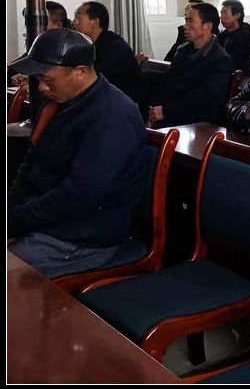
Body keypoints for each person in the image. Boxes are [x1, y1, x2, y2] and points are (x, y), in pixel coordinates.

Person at [7, 29, 146, 277]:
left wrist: (15, 220)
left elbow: (78, 195)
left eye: (48, 79)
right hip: (45, 219)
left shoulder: (111, 117)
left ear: (80, 71)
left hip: (80, 236)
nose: (41, 87)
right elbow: (31, 164)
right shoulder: (59, 103)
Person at [148, 3, 234, 128]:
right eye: (186, 21)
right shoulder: (182, 50)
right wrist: (154, 110)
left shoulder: (221, 60)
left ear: (207, 26)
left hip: (198, 123)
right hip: (171, 114)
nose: (185, 26)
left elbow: (203, 99)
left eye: (190, 21)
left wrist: (165, 112)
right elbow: (168, 84)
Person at [71, 1, 146, 112]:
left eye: (78, 19)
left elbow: (96, 83)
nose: (74, 23)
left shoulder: (115, 47)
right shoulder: (92, 45)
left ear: (95, 22)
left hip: (123, 108)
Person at [9, 1, 71, 87]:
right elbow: (12, 71)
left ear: (58, 26)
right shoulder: (41, 47)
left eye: (40, 22)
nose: (33, 27)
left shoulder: (67, 52)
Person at [218, 0, 250, 74]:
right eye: (221, 13)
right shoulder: (224, 34)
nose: (221, 17)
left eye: (225, 13)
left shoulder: (246, 36)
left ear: (237, 16)